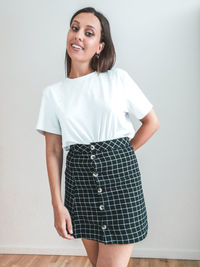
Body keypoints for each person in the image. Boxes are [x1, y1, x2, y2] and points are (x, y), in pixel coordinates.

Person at [35, 6, 160, 267]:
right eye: (75, 27)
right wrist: (57, 206)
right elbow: (53, 152)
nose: (78, 35)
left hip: (121, 182)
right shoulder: (53, 94)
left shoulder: (118, 79)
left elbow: (151, 122)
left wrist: (122, 152)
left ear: (100, 46)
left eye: (88, 32)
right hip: (80, 184)